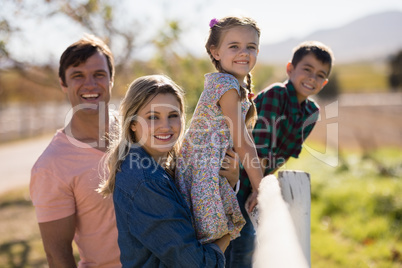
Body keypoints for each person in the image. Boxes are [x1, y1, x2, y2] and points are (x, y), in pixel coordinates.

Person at [98, 74, 235, 267]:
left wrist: (229, 181)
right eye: (153, 117)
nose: (165, 126)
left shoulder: (165, 166)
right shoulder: (147, 180)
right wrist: (231, 228)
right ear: (133, 123)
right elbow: (198, 264)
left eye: (173, 115)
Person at [228, 40, 335, 267]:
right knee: (236, 249)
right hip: (234, 179)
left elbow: (286, 152)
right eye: (307, 69)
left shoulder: (311, 112)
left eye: (319, 75)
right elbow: (260, 147)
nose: (312, 78)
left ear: (324, 83)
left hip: (256, 180)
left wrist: (262, 185)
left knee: (245, 248)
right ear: (290, 69)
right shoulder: (277, 94)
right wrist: (259, 187)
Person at [30, 34, 121, 267]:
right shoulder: (51, 166)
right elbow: (57, 255)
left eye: (99, 74)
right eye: (77, 76)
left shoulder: (139, 130)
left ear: (111, 79)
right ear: (63, 84)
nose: (90, 84)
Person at [175, 16, 264, 245]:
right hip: (202, 173)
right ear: (215, 52)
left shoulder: (231, 85)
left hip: (210, 170)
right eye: (234, 46)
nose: (243, 52)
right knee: (211, 242)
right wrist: (259, 188)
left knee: (217, 240)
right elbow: (242, 142)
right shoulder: (225, 85)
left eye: (251, 47)